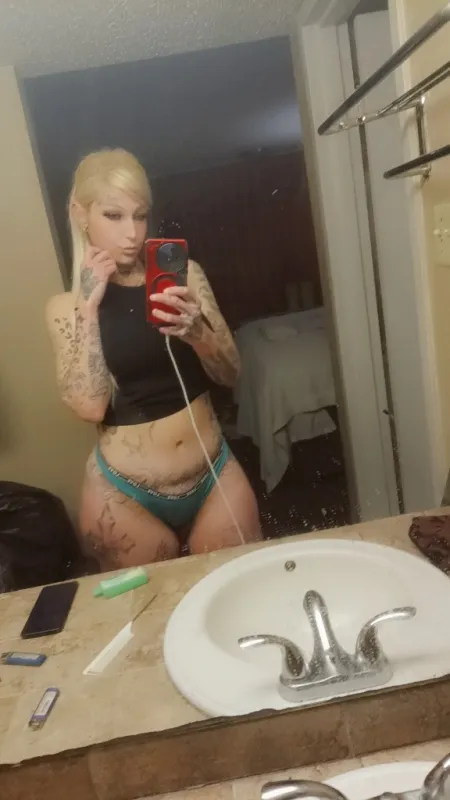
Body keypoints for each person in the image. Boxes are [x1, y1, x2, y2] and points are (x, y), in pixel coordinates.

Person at [46, 149, 261, 571]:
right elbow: (89, 406)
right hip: (124, 496)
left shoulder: (185, 274)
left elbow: (231, 373)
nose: (132, 233)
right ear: (80, 214)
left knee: (242, 586)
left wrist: (198, 332)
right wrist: (88, 307)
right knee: (152, 607)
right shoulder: (64, 308)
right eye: (113, 215)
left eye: (140, 216)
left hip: (212, 472)